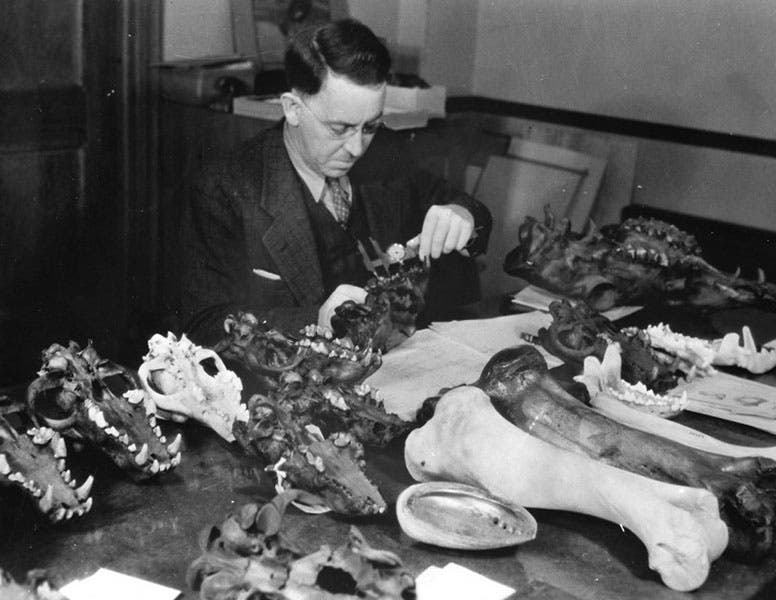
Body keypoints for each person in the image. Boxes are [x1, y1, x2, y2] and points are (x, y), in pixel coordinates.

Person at [180, 18, 492, 346]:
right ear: (293, 109)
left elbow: (468, 209)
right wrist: (313, 321)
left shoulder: (385, 151)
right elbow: (203, 325)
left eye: (369, 126)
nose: (357, 148)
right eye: (339, 129)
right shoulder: (225, 187)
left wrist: (463, 214)